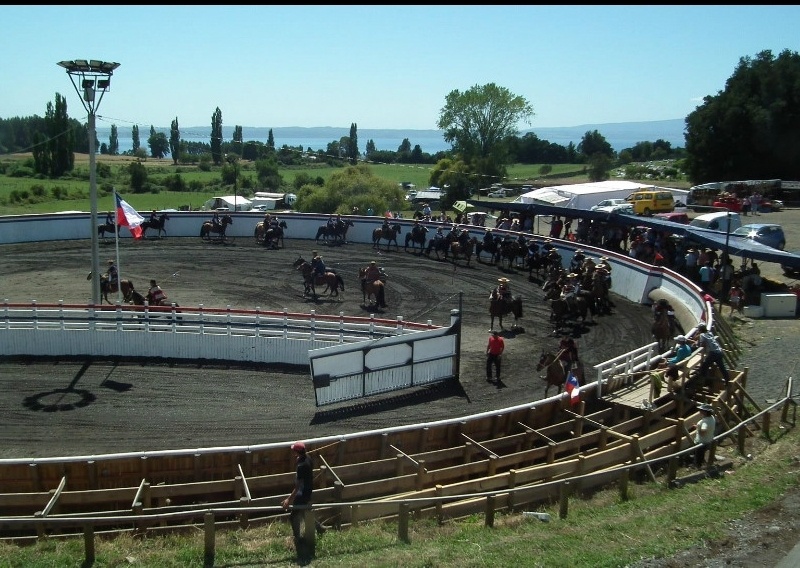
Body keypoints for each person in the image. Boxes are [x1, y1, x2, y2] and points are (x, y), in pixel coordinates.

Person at [281, 441, 324, 563]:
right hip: (308, 490)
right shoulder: (308, 458)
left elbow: (298, 485)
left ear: (296, 451)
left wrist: (289, 499)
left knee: (293, 516)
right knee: (305, 510)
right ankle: (319, 528)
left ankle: (298, 538)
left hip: (302, 493)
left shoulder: (301, 466)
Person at [692, 403, 716, 468]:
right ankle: (699, 465)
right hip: (708, 439)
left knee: (698, 455)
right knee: (701, 455)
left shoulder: (705, 421)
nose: (699, 411)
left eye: (701, 410)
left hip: (701, 442)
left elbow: (703, 431)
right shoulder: (712, 418)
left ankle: (697, 467)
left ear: (705, 412)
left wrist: (698, 428)